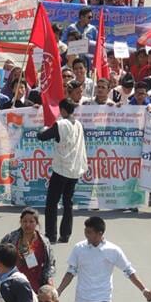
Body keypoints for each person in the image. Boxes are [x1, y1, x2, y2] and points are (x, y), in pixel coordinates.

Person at [0, 208, 56, 302]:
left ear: (37, 223)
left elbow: (50, 263)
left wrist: (49, 278)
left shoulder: (44, 242)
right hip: (12, 285)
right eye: (24, 221)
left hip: (35, 287)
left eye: (31, 221)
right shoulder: (11, 238)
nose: (27, 224)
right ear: (20, 222)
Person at [36, 98, 88, 243]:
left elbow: (42, 137)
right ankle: (65, 235)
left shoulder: (61, 124)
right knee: (68, 202)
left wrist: (44, 128)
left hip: (62, 168)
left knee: (52, 203)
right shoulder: (78, 124)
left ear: (63, 110)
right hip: (75, 169)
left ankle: (51, 234)